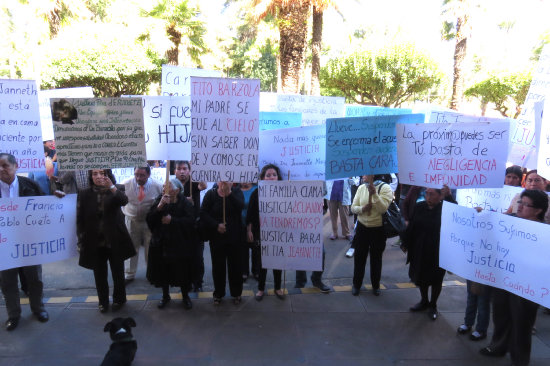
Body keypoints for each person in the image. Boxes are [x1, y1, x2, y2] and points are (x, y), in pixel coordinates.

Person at [480, 189, 548, 365]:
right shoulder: (509, 221)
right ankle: (498, 346)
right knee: (500, 316)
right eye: (520, 202)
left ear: (538, 210)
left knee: (521, 323)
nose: (520, 207)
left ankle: (519, 359)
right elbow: (489, 223)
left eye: (526, 205)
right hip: (503, 280)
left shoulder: (544, 232)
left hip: (526, 287)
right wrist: (480, 215)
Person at [0, 153, 50, 331]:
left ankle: (38, 309)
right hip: (4, 245)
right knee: (7, 282)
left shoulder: (30, 185)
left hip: (29, 242)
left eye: (5, 165)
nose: (1, 169)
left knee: (34, 279)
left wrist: (58, 198)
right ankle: (13, 315)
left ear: (15, 166)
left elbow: (46, 208)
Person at [77, 169, 136, 313]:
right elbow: (80, 218)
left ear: (108, 175)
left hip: (115, 239)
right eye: (95, 174)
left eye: (103, 173)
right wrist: (80, 239)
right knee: (99, 274)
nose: (99, 177)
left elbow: (124, 201)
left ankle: (119, 299)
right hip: (95, 241)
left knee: (118, 272)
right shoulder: (84, 194)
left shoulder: (116, 189)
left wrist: (111, 186)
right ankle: (103, 301)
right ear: (91, 176)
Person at [401, 186, 455, 320]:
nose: (428, 197)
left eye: (432, 194)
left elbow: (456, 212)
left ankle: (433, 305)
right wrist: (406, 242)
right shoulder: (419, 207)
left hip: (438, 251)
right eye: (427, 194)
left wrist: (448, 196)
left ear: (440, 196)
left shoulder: (444, 209)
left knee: (436, 279)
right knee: (421, 276)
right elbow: (412, 226)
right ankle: (424, 300)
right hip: (419, 248)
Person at [146, 183, 197, 310]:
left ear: (177, 190)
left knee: (183, 271)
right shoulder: (160, 199)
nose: (164, 189)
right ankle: (165, 296)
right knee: (163, 270)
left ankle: (185, 296)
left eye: (168, 187)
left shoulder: (184, 202)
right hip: (162, 243)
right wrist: (159, 207)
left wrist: (172, 220)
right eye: (164, 186)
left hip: (180, 244)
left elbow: (190, 221)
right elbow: (149, 219)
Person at [200, 181, 244, 305]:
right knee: (218, 266)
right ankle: (218, 293)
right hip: (217, 237)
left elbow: (240, 206)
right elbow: (203, 213)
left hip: (234, 237)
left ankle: (236, 293)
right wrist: (216, 225)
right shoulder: (211, 194)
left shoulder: (236, 192)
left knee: (235, 266)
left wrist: (229, 193)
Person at [350, 174, 393, 296]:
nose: (362, 175)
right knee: (359, 258)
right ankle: (356, 284)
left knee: (376, 258)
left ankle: (375, 285)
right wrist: (362, 209)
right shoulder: (361, 188)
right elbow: (353, 208)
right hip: (362, 229)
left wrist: (374, 194)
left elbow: (383, 209)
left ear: (373, 175)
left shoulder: (386, 188)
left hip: (378, 230)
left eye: (365, 173)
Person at [247, 164, 284, 301]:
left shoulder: (284, 191)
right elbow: (250, 214)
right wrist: (249, 230)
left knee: (278, 262)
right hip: (260, 233)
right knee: (262, 263)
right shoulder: (256, 193)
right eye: (268, 175)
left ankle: (278, 287)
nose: (271, 177)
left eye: (274, 174)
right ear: (262, 178)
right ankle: (261, 289)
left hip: (279, 233)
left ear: (278, 177)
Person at [122, 166, 163, 283]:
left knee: (150, 248)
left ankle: (152, 273)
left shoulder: (157, 185)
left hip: (149, 221)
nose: (138, 178)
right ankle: (129, 274)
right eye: (136, 175)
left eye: (142, 175)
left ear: (148, 175)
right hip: (131, 219)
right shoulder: (125, 183)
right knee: (131, 247)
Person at [171, 160, 207, 292]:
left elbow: (204, 186)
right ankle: (185, 282)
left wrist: (197, 169)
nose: (182, 171)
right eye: (179, 168)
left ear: (189, 170)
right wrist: (184, 201)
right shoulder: (172, 184)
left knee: (198, 256)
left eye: (185, 168)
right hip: (180, 226)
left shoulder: (194, 182)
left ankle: (198, 281)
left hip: (195, 226)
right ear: (175, 171)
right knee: (182, 256)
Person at [240, 182, 259, 281]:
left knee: (256, 248)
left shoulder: (257, 189)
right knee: (243, 250)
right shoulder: (236, 190)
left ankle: (256, 271)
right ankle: (244, 271)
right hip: (240, 225)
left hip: (254, 224)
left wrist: (250, 228)